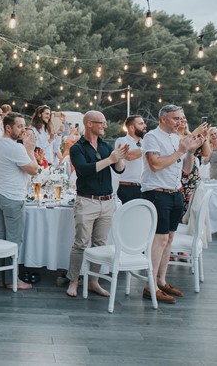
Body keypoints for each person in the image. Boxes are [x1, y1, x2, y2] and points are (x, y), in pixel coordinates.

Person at [140, 104, 204, 304]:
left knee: (169, 240)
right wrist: (180, 151)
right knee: (158, 240)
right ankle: (149, 286)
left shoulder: (177, 139)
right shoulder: (152, 136)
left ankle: (161, 280)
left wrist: (190, 152)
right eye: (176, 118)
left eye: (181, 118)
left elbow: (185, 170)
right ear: (163, 119)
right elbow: (155, 165)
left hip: (175, 193)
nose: (180, 122)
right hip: (157, 194)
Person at [65, 110, 129, 298]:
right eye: (101, 122)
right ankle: (73, 281)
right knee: (81, 244)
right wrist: (110, 159)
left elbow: (119, 170)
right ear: (89, 124)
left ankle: (93, 281)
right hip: (87, 201)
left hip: (107, 201)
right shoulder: (77, 148)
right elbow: (83, 171)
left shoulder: (106, 145)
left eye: (104, 122)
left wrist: (120, 158)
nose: (105, 126)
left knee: (100, 243)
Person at [0, 112, 39, 290]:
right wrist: (30, 150)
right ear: (8, 127)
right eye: (19, 126)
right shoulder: (16, 148)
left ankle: (2, 278)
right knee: (13, 242)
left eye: (24, 125)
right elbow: (33, 169)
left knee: (1, 239)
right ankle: (12, 281)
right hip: (12, 198)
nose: (23, 130)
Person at [176, 113, 210, 215]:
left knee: (194, 207)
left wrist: (204, 137)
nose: (184, 120)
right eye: (180, 119)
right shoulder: (174, 137)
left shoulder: (189, 135)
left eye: (184, 118)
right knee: (183, 208)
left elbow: (206, 153)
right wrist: (195, 133)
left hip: (193, 175)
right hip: (181, 175)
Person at [115, 115, 147, 203]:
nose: (145, 126)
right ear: (132, 128)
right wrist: (147, 147)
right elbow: (129, 156)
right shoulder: (122, 141)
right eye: (141, 124)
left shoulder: (145, 142)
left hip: (145, 187)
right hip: (128, 187)